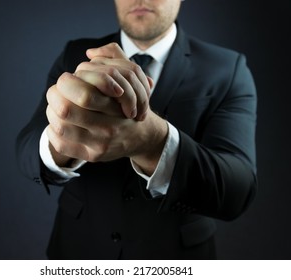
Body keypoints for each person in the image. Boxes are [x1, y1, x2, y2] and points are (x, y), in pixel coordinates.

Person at [16, 0, 257, 260]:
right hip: (79, 251)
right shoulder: (75, 54)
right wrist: (61, 140)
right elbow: (27, 149)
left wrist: (154, 142)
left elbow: (237, 190)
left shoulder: (227, 68)